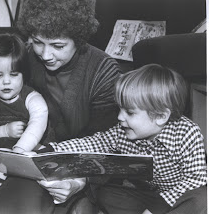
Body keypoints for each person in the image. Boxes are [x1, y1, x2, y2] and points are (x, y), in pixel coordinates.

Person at [0, 0, 121, 214]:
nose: (46, 55)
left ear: (78, 39)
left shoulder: (103, 71)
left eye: (58, 45)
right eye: (38, 42)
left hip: (84, 169)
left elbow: (109, 145)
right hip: (30, 159)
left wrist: (78, 181)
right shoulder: (27, 58)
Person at [47, 64, 207, 214]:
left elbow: (196, 178)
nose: (119, 117)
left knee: (202, 199)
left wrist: (156, 209)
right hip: (149, 195)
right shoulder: (124, 131)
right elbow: (96, 142)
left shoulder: (187, 133)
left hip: (178, 198)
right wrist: (53, 150)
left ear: (161, 116)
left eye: (129, 112)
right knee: (105, 192)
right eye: (119, 109)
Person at [0, 33, 49, 193]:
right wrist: (4, 131)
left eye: (14, 75)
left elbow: (37, 125)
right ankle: (0, 200)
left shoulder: (32, 98)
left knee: (46, 166)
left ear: (24, 75)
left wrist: (19, 150)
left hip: (31, 150)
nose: (6, 81)